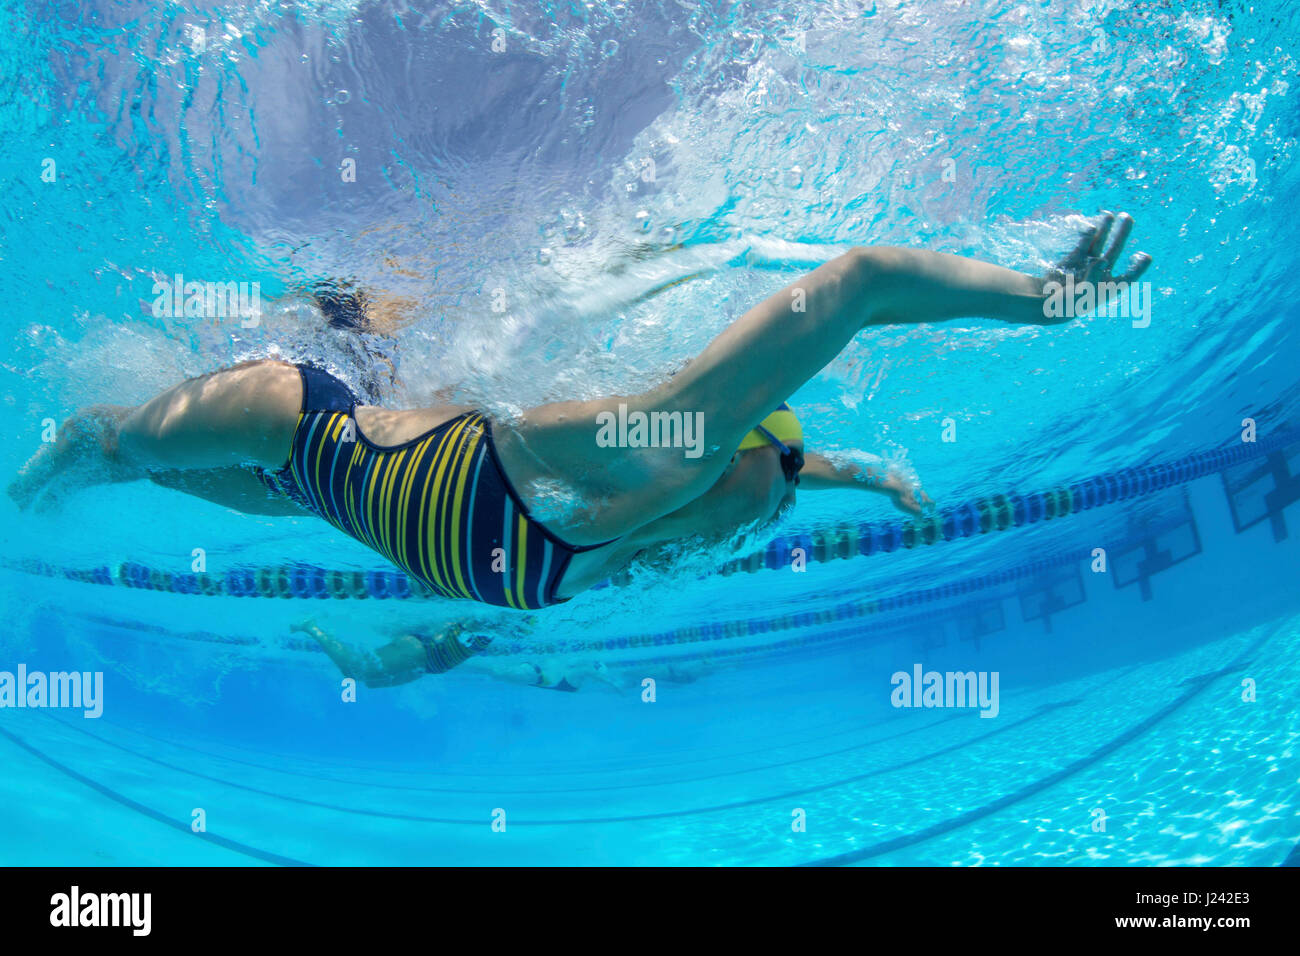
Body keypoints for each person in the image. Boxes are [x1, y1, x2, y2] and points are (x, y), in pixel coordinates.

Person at [9, 213, 1150, 610]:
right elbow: (855, 285)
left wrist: (883, 474)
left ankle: (109, 455)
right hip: (299, 423)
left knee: (225, 480)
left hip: (335, 492)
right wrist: (1041, 302)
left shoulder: (697, 492)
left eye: (787, 472)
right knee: (113, 443)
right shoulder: (649, 454)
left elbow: (811, 446)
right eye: (783, 467)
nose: (781, 490)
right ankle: (61, 462)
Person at [293, 619, 622, 692]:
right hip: (426, 652)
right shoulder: (492, 625)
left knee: (370, 683)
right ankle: (312, 626)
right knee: (358, 674)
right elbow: (459, 624)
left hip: (430, 661)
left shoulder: (497, 629)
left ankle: (317, 626)